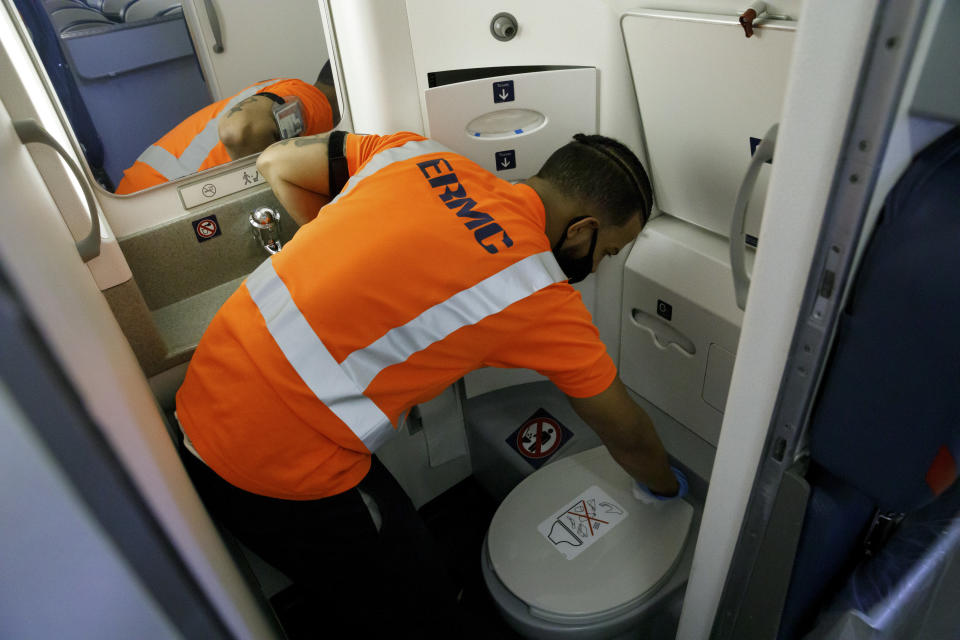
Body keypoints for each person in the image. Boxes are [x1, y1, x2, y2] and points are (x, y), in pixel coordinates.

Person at [174, 129, 686, 636]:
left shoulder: (418, 155)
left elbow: (274, 162)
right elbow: (629, 436)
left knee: (403, 544)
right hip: (270, 461)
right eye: (608, 252)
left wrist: (346, 264)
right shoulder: (537, 292)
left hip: (206, 385)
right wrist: (669, 490)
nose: (596, 268)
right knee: (412, 609)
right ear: (581, 230)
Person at [114, 73, 337, 194]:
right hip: (161, 200)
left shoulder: (280, 88)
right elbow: (240, 129)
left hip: (137, 193)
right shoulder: (314, 102)